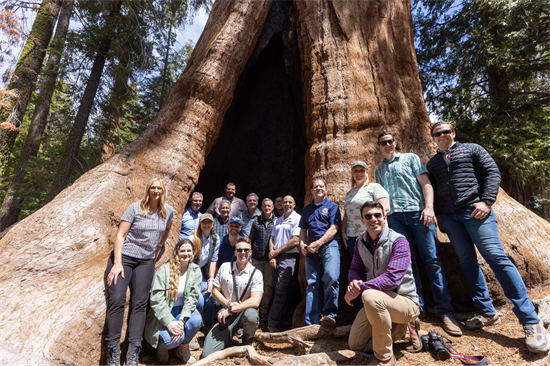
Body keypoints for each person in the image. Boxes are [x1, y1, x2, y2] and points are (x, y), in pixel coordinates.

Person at [427, 121, 549, 353]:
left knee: (495, 256)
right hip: (451, 218)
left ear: (453, 133)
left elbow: (492, 172)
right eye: (437, 133)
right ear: (433, 138)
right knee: (466, 261)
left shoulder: (472, 149)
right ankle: (486, 312)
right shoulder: (432, 163)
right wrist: (440, 215)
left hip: (475, 210)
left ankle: (530, 320)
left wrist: (487, 201)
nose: (441, 135)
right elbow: (434, 188)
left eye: (445, 132)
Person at [375, 133, 460, 336]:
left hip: (419, 214)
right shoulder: (379, 171)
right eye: (383, 143)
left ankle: (445, 312)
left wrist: (429, 207)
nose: (387, 145)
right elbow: (381, 198)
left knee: (432, 260)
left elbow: (426, 184)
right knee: (406, 264)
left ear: (395, 143)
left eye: (390, 141)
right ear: (379, 147)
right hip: (395, 219)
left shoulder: (410, 158)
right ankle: (415, 311)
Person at [105, 178, 174, 366]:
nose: (156, 190)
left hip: (146, 261)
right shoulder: (135, 208)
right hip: (125, 257)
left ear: (163, 191)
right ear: (148, 189)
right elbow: (120, 235)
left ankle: (132, 353)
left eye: (159, 188)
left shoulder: (168, 211)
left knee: (140, 304)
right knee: (117, 299)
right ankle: (113, 352)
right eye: (153, 187)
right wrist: (117, 264)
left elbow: (167, 229)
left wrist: (160, 245)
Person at [346, 201, 421, 366]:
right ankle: (401, 332)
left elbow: (392, 278)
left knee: (370, 296)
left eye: (377, 215)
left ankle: (385, 357)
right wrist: (353, 283)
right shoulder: (360, 241)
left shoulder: (399, 241)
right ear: (362, 221)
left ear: (384, 217)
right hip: (377, 302)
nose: (373, 219)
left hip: (405, 301)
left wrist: (360, 288)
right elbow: (355, 269)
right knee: (356, 344)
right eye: (368, 216)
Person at [201, 237, 263, 358]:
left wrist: (232, 309)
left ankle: (247, 342)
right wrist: (228, 304)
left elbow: (255, 301)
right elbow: (214, 290)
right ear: (235, 252)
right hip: (226, 315)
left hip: (243, 312)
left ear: (251, 253)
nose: (243, 253)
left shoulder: (256, 273)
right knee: (206, 354)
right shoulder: (225, 267)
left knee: (251, 315)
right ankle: (227, 336)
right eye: (239, 250)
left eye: (246, 250)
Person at [144, 239, 202, 364]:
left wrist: (181, 320)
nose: (185, 254)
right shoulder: (164, 270)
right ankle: (162, 349)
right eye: (182, 251)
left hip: (183, 311)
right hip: (165, 313)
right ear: (176, 252)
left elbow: (192, 298)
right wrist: (169, 322)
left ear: (193, 253)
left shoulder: (195, 270)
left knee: (196, 320)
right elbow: (156, 299)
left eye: (189, 251)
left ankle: (182, 349)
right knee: (170, 340)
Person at [299, 178, 342, 327]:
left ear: (326, 189)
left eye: (321, 186)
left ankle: (330, 315)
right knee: (312, 284)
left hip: (330, 245)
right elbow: (303, 230)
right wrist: (301, 244)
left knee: (331, 276)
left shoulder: (332, 207)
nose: (318, 188)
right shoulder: (306, 209)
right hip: (311, 248)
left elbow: (334, 228)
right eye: (315, 187)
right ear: (311, 190)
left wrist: (318, 243)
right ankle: (312, 322)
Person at [342, 160, 390, 259]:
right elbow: (347, 214)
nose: (358, 173)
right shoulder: (349, 193)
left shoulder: (375, 187)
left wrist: (374, 230)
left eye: (362, 170)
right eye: (355, 170)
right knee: (357, 266)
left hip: (370, 234)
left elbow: (385, 209)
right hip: (352, 236)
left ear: (367, 172)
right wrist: (343, 232)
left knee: (375, 265)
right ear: (352, 173)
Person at [268, 195, 301, 332]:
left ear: (294, 204)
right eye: (284, 202)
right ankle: (281, 319)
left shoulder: (297, 218)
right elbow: (272, 238)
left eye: (289, 202)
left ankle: (272, 323)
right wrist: (272, 255)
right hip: (277, 257)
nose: (287, 204)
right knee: (277, 289)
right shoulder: (278, 220)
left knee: (281, 289)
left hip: (289, 257)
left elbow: (295, 241)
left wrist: (277, 252)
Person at [189, 214, 220, 330]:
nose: (206, 225)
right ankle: (194, 326)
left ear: (212, 224)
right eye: (204, 222)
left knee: (209, 299)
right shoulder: (193, 239)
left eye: (209, 222)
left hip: (204, 272)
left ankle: (207, 326)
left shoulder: (215, 238)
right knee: (199, 302)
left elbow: (213, 260)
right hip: (192, 272)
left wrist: (211, 279)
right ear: (200, 224)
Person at [249, 198, 276, 324]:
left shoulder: (277, 221)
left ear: (273, 207)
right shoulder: (256, 221)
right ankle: (254, 311)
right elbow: (251, 238)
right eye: (264, 206)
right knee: (255, 285)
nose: (267, 208)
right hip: (257, 259)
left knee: (268, 286)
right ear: (261, 207)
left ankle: (264, 311)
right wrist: (250, 256)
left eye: (269, 206)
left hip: (270, 260)